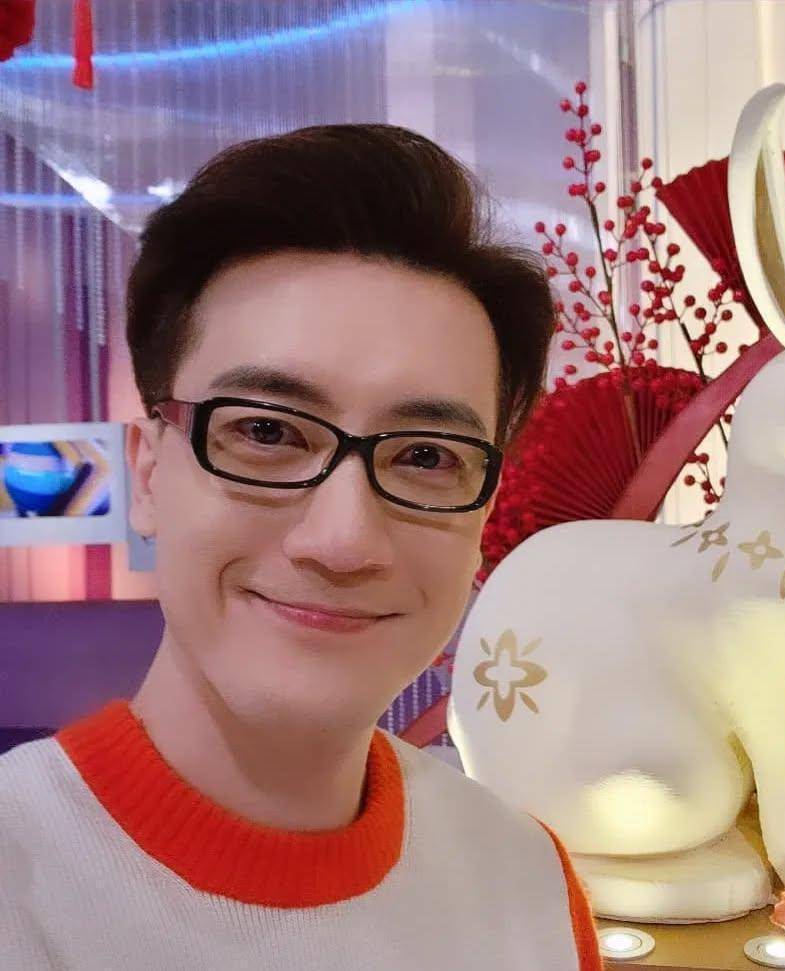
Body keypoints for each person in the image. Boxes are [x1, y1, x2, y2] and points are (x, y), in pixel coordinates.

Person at [0, 124, 602, 970]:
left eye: (426, 455)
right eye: (266, 432)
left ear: (484, 512)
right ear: (148, 472)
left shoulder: (525, 881)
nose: (342, 540)